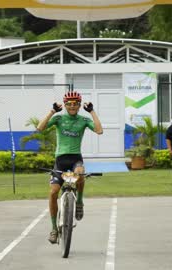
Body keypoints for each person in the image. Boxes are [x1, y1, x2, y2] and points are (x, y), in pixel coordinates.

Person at [37, 90, 103, 244]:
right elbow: (40, 128)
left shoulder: (83, 120)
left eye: (75, 104)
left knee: (80, 173)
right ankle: (54, 229)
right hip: (60, 160)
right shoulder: (59, 118)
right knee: (53, 193)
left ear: (80, 105)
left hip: (75, 159)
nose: (72, 106)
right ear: (65, 105)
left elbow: (99, 130)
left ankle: (79, 201)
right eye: (69, 104)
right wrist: (52, 111)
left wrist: (92, 111)